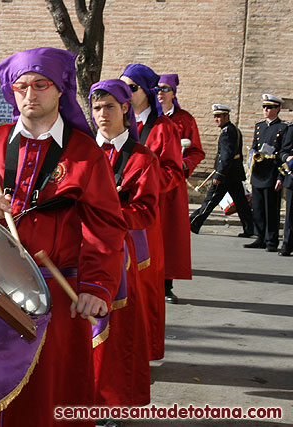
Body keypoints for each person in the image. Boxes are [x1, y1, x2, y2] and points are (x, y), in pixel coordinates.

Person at [0, 47, 127, 427]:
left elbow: (105, 227)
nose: (30, 94)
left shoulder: (85, 154)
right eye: (21, 86)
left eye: (40, 85)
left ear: (60, 89)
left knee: (45, 403)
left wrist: (97, 288)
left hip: (55, 295)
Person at [89, 79, 160, 409]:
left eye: (109, 107)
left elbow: (145, 211)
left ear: (125, 109)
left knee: (117, 332)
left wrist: (107, 211)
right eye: (96, 108)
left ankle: (113, 403)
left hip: (121, 256)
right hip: (80, 250)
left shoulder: (142, 158)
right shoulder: (80, 152)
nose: (102, 114)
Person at [120, 64, 182, 359]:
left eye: (131, 88)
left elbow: (173, 173)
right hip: (114, 216)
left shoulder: (164, 128)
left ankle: (145, 349)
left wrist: (140, 177)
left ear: (147, 92)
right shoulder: (116, 122)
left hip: (144, 218)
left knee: (145, 286)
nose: (126, 94)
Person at [190, 105, 254, 237]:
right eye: (215, 116)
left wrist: (219, 174)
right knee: (241, 204)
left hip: (225, 175)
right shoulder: (233, 130)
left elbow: (226, 156)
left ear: (226, 116)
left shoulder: (227, 133)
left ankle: (194, 222)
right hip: (234, 174)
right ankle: (250, 228)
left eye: (219, 116)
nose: (216, 119)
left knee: (211, 200)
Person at [244, 94, 288, 252]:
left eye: (269, 107)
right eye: (264, 107)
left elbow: (284, 153)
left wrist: (280, 176)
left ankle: (271, 240)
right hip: (259, 172)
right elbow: (254, 148)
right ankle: (260, 237)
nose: (265, 110)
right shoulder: (259, 126)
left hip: (272, 173)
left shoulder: (283, 128)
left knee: (271, 209)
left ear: (278, 109)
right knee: (258, 208)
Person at [158, 74, 205, 180]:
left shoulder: (185, 119)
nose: (160, 92)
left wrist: (184, 164)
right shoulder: (147, 117)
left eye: (165, 89)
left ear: (173, 94)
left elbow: (196, 151)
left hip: (173, 176)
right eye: (157, 88)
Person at [278, 123, 293, 256]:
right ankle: (287, 245)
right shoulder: (291, 129)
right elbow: (283, 151)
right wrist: (288, 158)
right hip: (292, 179)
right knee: (290, 215)